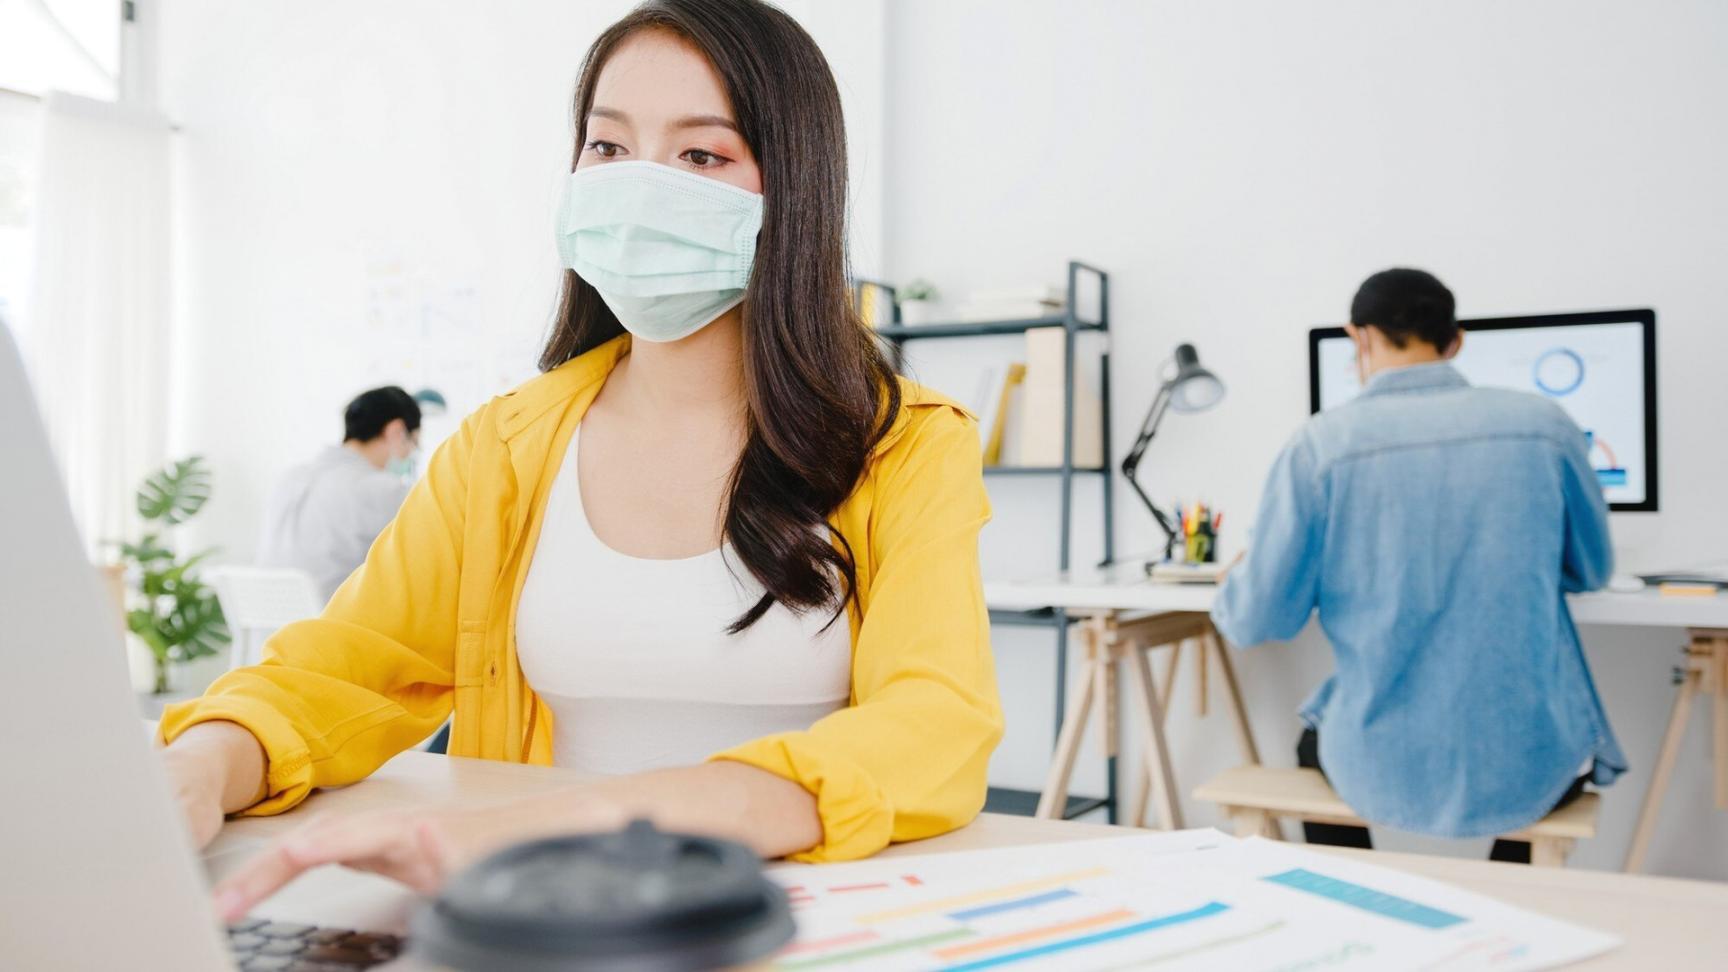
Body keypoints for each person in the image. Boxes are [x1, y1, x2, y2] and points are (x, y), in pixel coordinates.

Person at [158, 0, 1002, 922]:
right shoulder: (504, 449)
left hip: (804, 924)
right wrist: (204, 762)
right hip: (545, 923)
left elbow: (936, 726)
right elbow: (342, 670)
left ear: (793, 192)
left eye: (701, 155)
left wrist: (602, 814)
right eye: (608, 148)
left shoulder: (907, 442)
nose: (640, 188)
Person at [1211, 268, 1626, 863]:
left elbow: (1257, 622)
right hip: (1530, 761)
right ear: (1455, 340)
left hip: (1377, 762)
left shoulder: (1320, 446)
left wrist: (1239, 577)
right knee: (1538, 764)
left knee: (1315, 740)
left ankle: (1360, 903)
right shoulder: (1545, 426)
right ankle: (1507, 915)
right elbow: (1590, 570)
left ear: (1359, 338)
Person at [256, 385, 422, 601]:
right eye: (414, 443)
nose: (411, 454)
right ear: (397, 431)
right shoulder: (385, 489)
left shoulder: (288, 478)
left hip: (268, 632)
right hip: (329, 627)